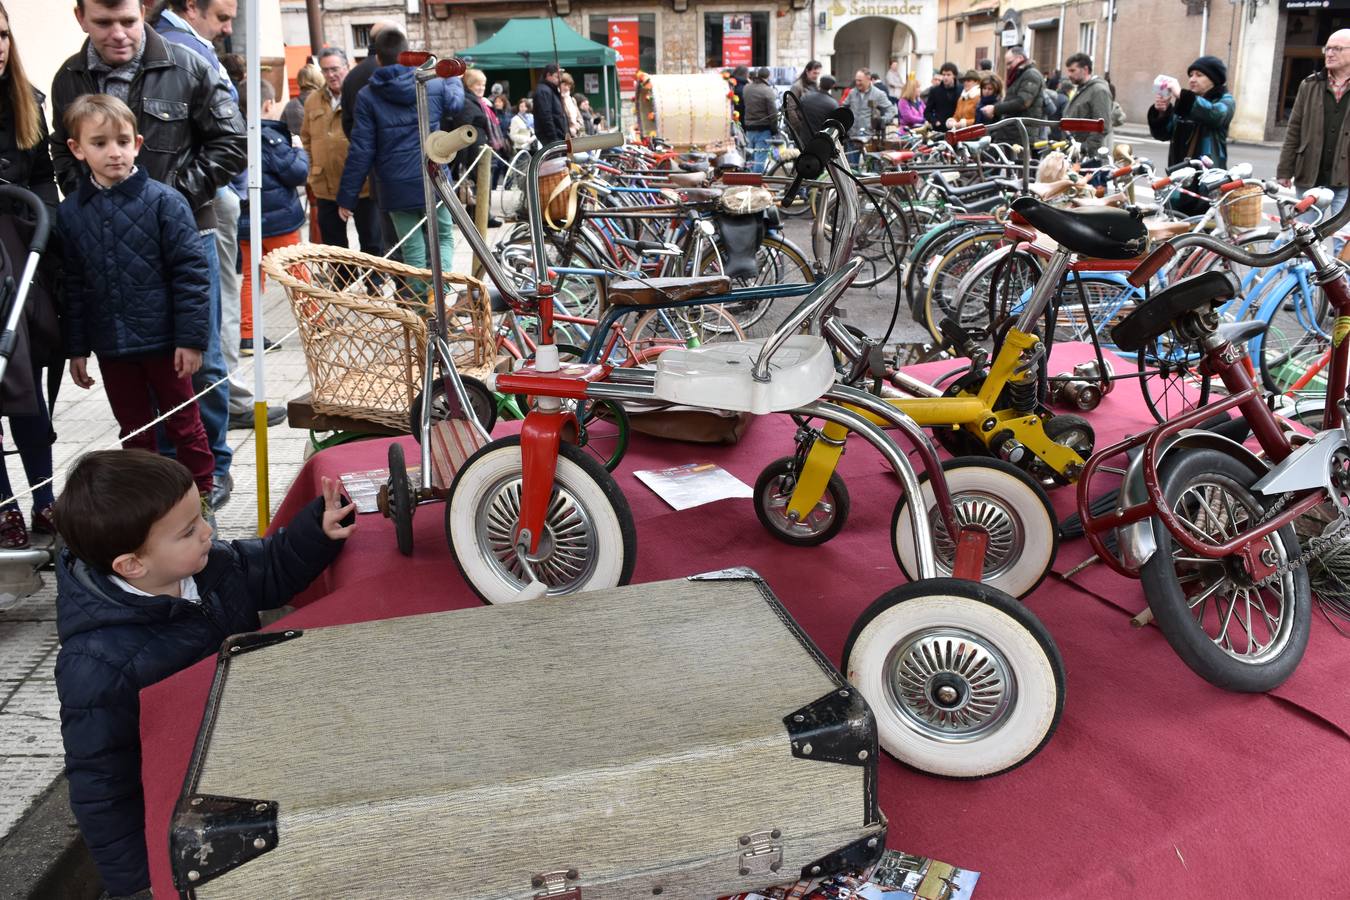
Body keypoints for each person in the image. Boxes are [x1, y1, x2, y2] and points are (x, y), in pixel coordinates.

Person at [53, 448, 354, 900]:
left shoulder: (210, 564)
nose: (208, 532)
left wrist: (317, 531)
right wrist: (138, 880)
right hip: (190, 801)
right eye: (189, 530)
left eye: (203, 516)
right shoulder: (97, 665)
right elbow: (102, 785)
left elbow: (270, 565)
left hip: (246, 754)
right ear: (132, 564)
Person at [52, 0, 246, 511]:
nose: (117, 33)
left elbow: (230, 141)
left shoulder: (189, 64)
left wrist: (174, 196)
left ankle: (211, 477)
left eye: (128, 21)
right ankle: (154, 493)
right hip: (106, 245)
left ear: (143, 13)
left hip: (184, 228)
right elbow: (60, 148)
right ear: (81, 18)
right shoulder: (69, 77)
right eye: (103, 23)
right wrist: (90, 202)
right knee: (137, 413)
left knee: (199, 368)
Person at [57, 95, 215, 505]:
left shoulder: (164, 202)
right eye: (100, 143)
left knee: (184, 423)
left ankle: (201, 495)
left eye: (123, 141)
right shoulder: (72, 213)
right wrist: (76, 349)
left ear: (138, 143)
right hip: (113, 346)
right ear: (77, 148)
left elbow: (192, 275)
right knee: (133, 428)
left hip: (166, 343)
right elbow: (72, 284)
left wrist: (191, 339)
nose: (114, 152)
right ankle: (147, 504)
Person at [337, 27, 461, 294]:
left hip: (394, 187)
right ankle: (441, 295)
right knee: (444, 238)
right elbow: (456, 104)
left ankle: (420, 303)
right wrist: (452, 77)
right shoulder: (434, 83)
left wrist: (347, 198)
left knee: (412, 248)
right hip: (435, 177)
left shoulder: (368, 96)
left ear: (378, 59)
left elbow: (361, 149)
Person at [0, 1, 60, 548]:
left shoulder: (28, 102)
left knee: (28, 382)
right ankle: (4, 507)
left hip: (20, 255)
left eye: (1, 35)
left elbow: (43, 179)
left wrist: (43, 230)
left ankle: (45, 499)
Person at [237, 80, 306, 355]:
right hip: (278, 221)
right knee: (297, 271)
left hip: (245, 221)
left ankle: (248, 334)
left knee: (251, 278)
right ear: (267, 105)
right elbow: (296, 173)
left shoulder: (234, 134)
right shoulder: (270, 137)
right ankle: (316, 323)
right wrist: (299, 150)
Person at [302, 47, 381, 254]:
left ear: (348, 67)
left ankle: (374, 284)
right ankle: (341, 285)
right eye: (325, 70)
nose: (330, 75)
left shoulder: (360, 94)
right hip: (325, 185)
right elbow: (306, 138)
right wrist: (312, 168)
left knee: (372, 242)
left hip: (361, 184)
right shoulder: (313, 100)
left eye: (335, 69)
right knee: (334, 247)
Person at [1279, 30, 1350, 221]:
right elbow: (1294, 129)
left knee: (1345, 244)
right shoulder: (1309, 85)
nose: (1329, 53)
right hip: (1309, 176)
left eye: (1337, 48)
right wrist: (1285, 170)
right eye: (1327, 48)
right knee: (1301, 236)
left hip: (1346, 180)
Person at [1148, 56, 1234, 168]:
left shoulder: (1225, 100)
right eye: (1191, 75)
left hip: (1208, 176)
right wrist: (1162, 112)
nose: (1192, 79)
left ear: (1214, 79)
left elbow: (1215, 115)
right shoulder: (1186, 103)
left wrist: (1181, 95)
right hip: (1180, 173)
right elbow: (1163, 135)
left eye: (1199, 75)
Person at [453, 67, 503, 226]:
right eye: (477, 85)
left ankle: (479, 215)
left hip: (481, 147)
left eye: (483, 84)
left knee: (482, 183)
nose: (481, 88)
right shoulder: (468, 102)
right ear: (469, 85)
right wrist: (462, 158)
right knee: (480, 183)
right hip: (473, 149)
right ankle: (483, 218)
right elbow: (464, 129)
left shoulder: (480, 102)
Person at [982, 46, 1045, 140]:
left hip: (1021, 132)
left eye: (1010, 63)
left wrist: (995, 108)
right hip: (1014, 130)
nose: (1008, 67)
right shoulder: (1020, 75)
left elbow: (1022, 102)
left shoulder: (1031, 75)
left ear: (1020, 58)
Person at [1062, 52, 1113, 160]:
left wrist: (1085, 148)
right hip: (1074, 152)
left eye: (1072, 70)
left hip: (1087, 157)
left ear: (1085, 69)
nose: (1069, 75)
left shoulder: (1098, 90)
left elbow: (1102, 125)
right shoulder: (1082, 89)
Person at [843, 68, 895, 147]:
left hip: (870, 138)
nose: (857, 83)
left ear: (868, 79)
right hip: (852, 137)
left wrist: (882, 120)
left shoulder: (878, 94)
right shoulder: (852, 93)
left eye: (860, 80)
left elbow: (891, 110)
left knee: (869, 160)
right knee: (851, 160)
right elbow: (843, 108)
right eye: (856, 80)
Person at [742, 66, 778, 172]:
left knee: (750, 158)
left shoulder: (747, 88)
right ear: (768, 76)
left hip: (748, 127)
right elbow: (773, 113)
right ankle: (756, 184)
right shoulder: (767, 91)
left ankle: (747, 181)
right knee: (760, 159)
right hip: (763, 128)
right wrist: (774, 129)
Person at [532, 63, 568, 148]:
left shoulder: (550, 89)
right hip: (552, 138)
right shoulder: (543, 90)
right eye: (556, 76)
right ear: (548, 75)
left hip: (557, 136)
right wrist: (553, 138)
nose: (559, 79)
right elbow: (546, 115)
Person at [283, 61, 322, 136]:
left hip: (298, 147)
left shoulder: (290, 105)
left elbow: (282, 131)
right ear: (320, 79)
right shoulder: (327, 101)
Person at [799, 74, 840, 139]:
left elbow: (798, 112)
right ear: (832, 86)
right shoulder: (833, 104)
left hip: (804, 138)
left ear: (820, 83)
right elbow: (835, 124)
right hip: (821, 140)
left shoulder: (806, 97)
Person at [924, 62, 961, 130]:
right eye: (943, 75)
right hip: (940, 128)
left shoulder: (961, 89)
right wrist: (935, 121)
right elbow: (927, 112)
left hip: (957, 127)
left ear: (954, 76)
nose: (945, 77)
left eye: (948, 75)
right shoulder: (935, 91)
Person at [559, 72, 583, 138]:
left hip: (576, 134)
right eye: (564, 85)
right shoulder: (558, 99)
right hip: (565, 135)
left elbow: (579, 117)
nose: (567, 88)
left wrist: (578, 124)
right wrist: (569, 129)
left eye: (569, 85)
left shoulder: (572, 100)